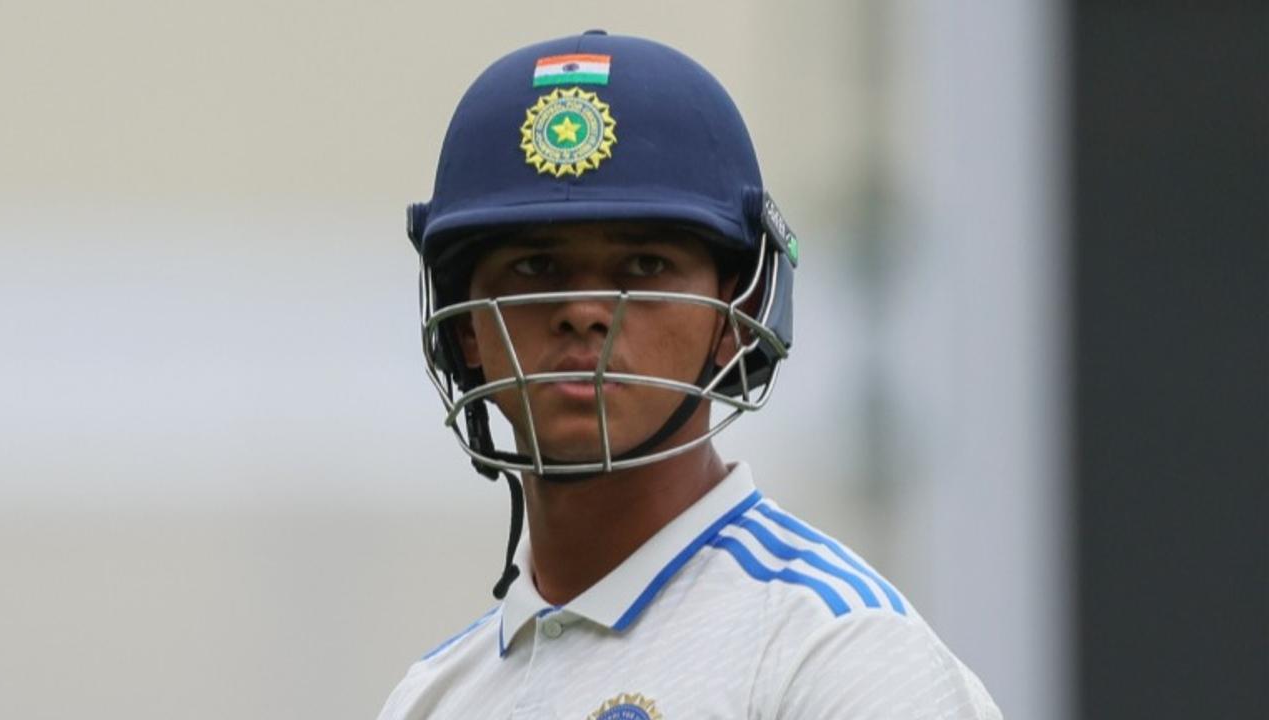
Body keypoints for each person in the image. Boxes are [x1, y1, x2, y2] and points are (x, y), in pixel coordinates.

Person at [379, 30, 1001, 719]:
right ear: (466, 328)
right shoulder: (431, 700)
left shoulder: (838, 653)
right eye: (536, 267)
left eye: (643, 265)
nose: (584, 312)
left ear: (734, 315)